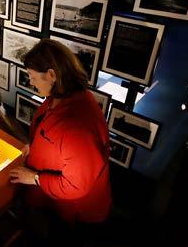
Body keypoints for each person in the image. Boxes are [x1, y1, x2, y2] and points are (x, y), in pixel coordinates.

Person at [9, 39, 111, 244]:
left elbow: (76, 186)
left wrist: (35, 178)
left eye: (32, 76)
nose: (31, 82)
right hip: (57, 202)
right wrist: (35, 145)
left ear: (52, 74)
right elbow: (52, 135)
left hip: (76, 214)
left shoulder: (76, 124)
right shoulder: (63, 98)